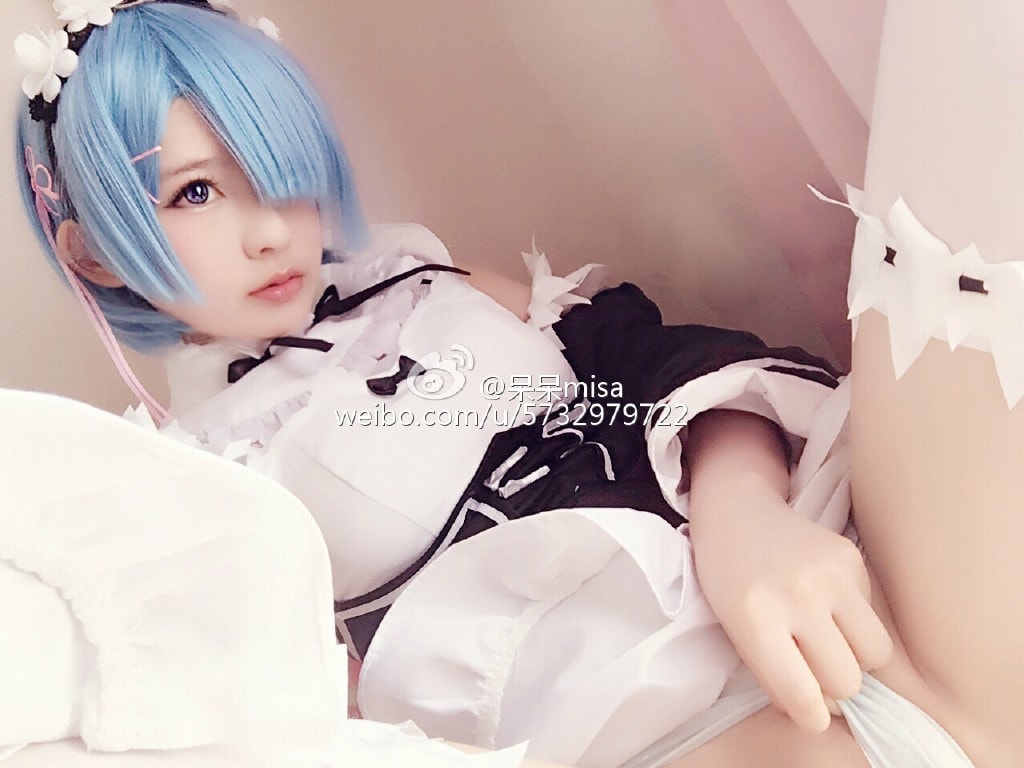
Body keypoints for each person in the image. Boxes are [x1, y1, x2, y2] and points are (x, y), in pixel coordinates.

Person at [13, 2, 889, 766]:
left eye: (274, 162)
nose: (271, 231)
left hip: (794, 551)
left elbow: (649, 363)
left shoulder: (420, 281)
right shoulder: (199, 483)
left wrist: (744, 518)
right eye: (197, 193)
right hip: (638, 718)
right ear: (93, 254)